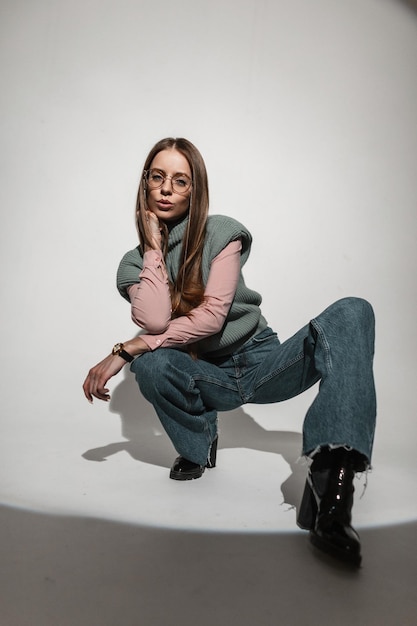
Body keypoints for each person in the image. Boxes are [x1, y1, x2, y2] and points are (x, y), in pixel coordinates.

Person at [83, 137, 376, 567]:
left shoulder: (222, 232)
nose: (166, 189)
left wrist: (127, 348)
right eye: (157, 178)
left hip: (262, 363)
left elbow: (212, 317)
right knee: (153, 365)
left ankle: (332, 489)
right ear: (144, 184)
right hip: (205, 374)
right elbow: (157, 321)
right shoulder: (132, 264)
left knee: (353, 311)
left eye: (179, 181)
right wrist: (152, 247)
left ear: (194, 190)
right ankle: (197, 444)